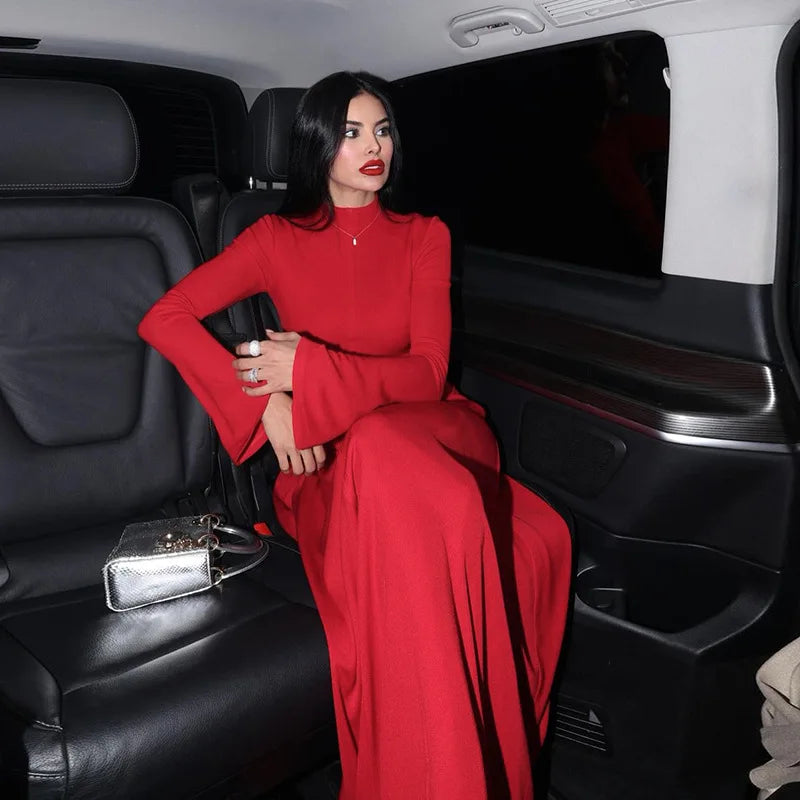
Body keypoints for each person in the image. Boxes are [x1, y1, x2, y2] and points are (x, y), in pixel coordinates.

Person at [138, 71, 571, 800]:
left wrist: (311, 368)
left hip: (435, 432)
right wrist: (265, 408)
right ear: (315, 145)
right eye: (350, 132)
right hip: (329, 459)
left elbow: (428, 374)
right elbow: (165, 319)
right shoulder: (272, 239)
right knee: (371, 454)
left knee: (387, 449)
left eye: (383, 129)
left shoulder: (422, 236)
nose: (374, 147)